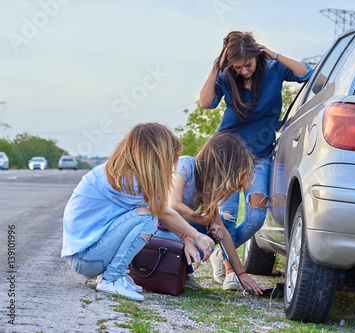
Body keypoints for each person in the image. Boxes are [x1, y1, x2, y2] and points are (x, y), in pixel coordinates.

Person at [199, 31, 313, 284]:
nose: (244, 71)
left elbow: (307, 73)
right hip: (227, 155)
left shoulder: (274, 69)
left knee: (255, 219)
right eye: (237, 67)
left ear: (257, 55)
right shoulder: (227, 77)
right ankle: (230, 271)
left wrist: (274, 54)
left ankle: (220, 253)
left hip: (260, 155)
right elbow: (206, 103)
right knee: (226, 217)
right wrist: (216, 69)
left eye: (247, 64)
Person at [61, 123, 215, 301]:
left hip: (86, 255)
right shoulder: (130, 181)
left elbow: (163, 212)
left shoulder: (120, 171)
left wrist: (186, 237)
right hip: (87, 259)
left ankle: (114, 275)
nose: (173, 165)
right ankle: (111, 278)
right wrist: (198, 237)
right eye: (172, 157)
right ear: (157, 154)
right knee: (147, 217)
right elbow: (163, 212)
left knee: (147, 214)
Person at [155, 131, 264, 295]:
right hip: (153, 228)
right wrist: (205, 222)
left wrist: (241, 274)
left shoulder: (207, 188)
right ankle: (172, 269)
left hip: (172, 230)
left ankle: (180, 272)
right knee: (206, 235)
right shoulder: (185, 165)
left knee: (219, 229)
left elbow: (224, 234)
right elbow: (173, 206)